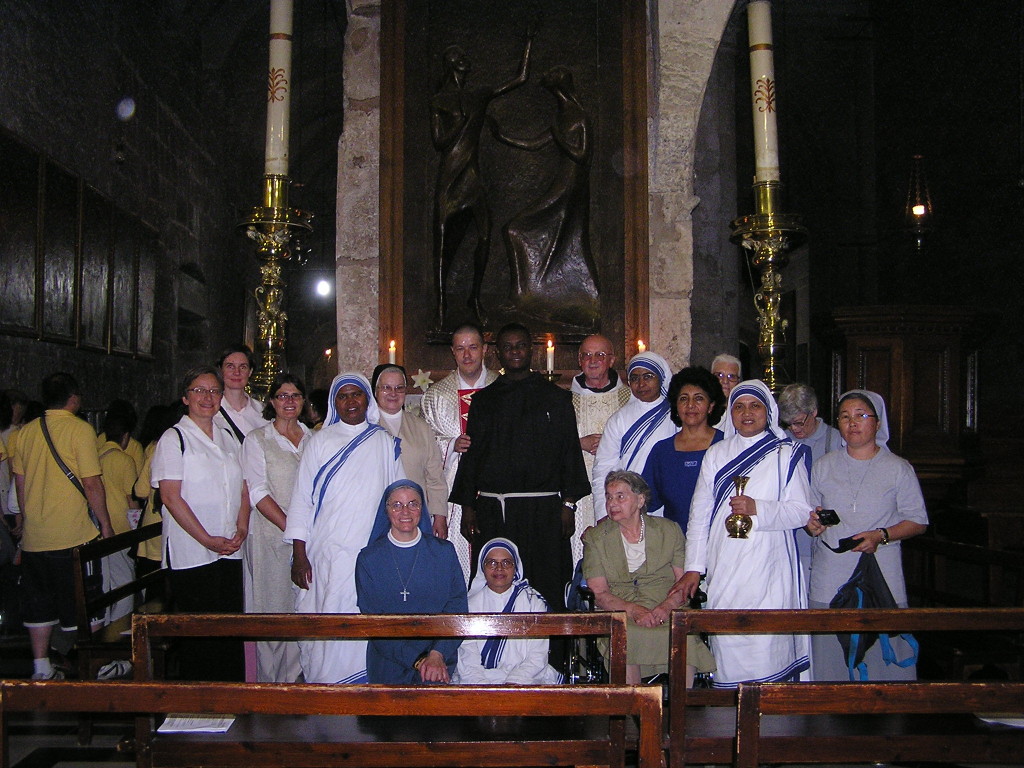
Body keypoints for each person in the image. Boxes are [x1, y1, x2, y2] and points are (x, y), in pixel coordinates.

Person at [674, 379, 812, 688]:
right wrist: (695, 566)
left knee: (767, 642)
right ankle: (728, 722)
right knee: (728, 637)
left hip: (770, 564)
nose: (746, 413)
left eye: (754, 406)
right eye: (738, 406)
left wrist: (757, 508)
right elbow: (699, 515)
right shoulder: (716, 454)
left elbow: (802, 511)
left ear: (768, 411)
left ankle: (774, 725)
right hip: (726, 563)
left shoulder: (786, 455)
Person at [450, 322, 590, 610]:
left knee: (546, 583)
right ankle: (495, 652)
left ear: (531, 351)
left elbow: (568, 452)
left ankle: (549, 653)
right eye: (508, 347)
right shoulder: (484, 401)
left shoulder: (556, 398)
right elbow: (473, 457)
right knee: (497, 585)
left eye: (521, 345)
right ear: (498, 354)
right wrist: (467, 508)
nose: (514, 351)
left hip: (545, 513)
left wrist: (569, 505)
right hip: (495, 512)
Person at [285, 372, 402, 684]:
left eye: (357, 394)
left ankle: (363, 686)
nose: (351, 401)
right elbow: (301, 500)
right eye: (343, 396)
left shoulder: (385, 443)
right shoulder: (319, 442)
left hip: (371, 553)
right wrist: (299, 554)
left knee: (364, 618)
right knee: (328, 616)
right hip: (328, 552)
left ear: (368, 399)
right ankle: (326, 686)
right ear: (334, 402)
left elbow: (400, 498)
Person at [805, 389, 928, 681]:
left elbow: (918, 521)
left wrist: (882, 535)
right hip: (831, 575)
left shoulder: (898, 468)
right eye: (845, 417)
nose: (852, 423)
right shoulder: (823, 465)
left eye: (861, 415)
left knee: (884, 664)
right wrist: (813, 524)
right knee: (830, 663)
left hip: (881, 576)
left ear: (876, 422)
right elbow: (810, 515)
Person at [10, 372, 114, 680]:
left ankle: (41, 667)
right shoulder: (80, 430)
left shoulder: (25, 432)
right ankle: (94, 665)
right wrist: (106, 525)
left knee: (39, 605)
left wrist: (30, 519)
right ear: (74, 399)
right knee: (86, 604)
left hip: (35, 538)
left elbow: (20, 482)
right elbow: (92, 483)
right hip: (73, 536)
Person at [151, 366, 250, 681]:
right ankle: (200, 703)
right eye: (199, 390)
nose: (208, 397)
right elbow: (170, 497)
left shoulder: (228, 437)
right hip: (193, 550)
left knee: (228, 625)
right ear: (185, 397)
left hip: (231, 546)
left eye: (214, 391)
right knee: (200, 630)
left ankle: (231, 698)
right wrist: (207, 539)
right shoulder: (174, 438)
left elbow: (244, 487)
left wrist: (242, 527)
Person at [430, 28, 533, 328]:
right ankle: (440, 307)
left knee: (486, 235)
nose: (463, 60)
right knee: (442, 241)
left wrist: (528, 40)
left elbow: (519, 79)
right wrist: (460, 123)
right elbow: (439, 141)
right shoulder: (440, 100)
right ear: (450, 65)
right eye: (457, 57)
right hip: (450, 175)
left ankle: (474, 298)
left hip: (472, 177)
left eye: (463, 56)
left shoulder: (478, 94)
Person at [583, 471, 715, 685]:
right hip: (622, 610)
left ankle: (682, 708)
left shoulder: (669, 530)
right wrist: (635, 611)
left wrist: (664, 609)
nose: (612, 503)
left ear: (640, 499)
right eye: (608, 497)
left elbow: (684, 583)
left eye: (620, 496)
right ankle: (633, 706)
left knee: (683, 635)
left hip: (666, 603)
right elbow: (599, 593)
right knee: (627, 635)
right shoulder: (596, 537)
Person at [492, 65, 599, 326]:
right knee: (518, 231)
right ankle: (527, 295)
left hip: (570, 185)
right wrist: (502, 136)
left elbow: (582, 154)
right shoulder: (562, 114)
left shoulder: (577, 115)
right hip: (563, 182)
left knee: (514, 230)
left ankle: (524, 296)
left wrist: (560, 137)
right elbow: (535, 143)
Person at [356, 480, 467, 683]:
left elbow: (458, 606)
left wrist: (437, 654)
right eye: (396, 505)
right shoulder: (369, 558)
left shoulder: (444, 552)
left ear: (421, 509)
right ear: (386, 510)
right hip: (388, 661)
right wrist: (417, 659)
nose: (405, 511)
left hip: (438, 662)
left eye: (413, 504)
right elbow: (373, 620)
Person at [240, 372, 311, 683]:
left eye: (295, 395)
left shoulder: (315, 438)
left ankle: (295, 681)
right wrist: (292, 529)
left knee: (302, 608)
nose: (289, 402)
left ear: (303, 401)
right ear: (271, 401)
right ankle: (269, 685)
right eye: (282, 396)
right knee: (272, 610)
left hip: (308, 540)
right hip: (270, 535)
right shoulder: (258, 440)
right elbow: (257, 492)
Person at [421, 323, 498, 582]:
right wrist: (451, 444)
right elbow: (425, 445)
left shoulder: (503, 388)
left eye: (473, 347)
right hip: (453, 490)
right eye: (461, 349)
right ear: (453, 353)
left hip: (496, 489)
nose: (467, 355)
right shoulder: (435, 396)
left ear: (485, 350)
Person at [454, 537, 562, 684]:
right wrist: (482, 688)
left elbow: (537, 656)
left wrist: (514, 684)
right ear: (482, 568)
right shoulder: (468, 605)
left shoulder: (533, 603)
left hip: (526, 680)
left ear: (515, 567)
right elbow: (468, 659)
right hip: (480, 680)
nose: (499, 568)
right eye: (492, 563)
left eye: (506, 562)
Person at [590, 351, 676, 522]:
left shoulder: (676, 416)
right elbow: (604, 467)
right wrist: (603, 512)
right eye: (635, 378)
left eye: (648, 376)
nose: (641, 383)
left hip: (666, 503)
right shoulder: (619, 419)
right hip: (626, 503)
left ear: (661, 378)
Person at [641, 367, 726, 530]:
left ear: (711, 406)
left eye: (699, 398)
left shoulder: (725, 445)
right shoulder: (662, 451)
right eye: (683, 399)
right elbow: (646, 501)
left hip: (718, 539)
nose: (690, 405)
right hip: (676, 543)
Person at [571, 334, 630, 565]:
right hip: (579, 489)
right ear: (579, 360)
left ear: (612, 360)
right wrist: (579, 444)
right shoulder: (564, 400)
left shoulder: (630, 398)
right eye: (586, 355)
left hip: (620, 488)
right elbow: (550, 444)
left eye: (600, 355)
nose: (592, 360)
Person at [372, 364, 449, 536]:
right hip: (372, 516)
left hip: (414, 517)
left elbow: (435, 476)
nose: (393, 393)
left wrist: (439, 515)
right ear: (376, 391)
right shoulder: (365, 426)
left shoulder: (421, 427)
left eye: (399, 388)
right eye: (386, 388)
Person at [97, 411, 141, 625]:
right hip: (120, 529)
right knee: (125, 584)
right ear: (125, 437)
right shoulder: (125, 460)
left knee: (105, 584)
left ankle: (104, 627)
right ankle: (117, 631)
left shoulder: (95, 457)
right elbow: (132, 500)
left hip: (98, 527)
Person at [214, 344, 269, 442]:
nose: (237, 372)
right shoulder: (212, 411)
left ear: (250, 372)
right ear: (220, 370)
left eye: (243, 367)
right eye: (230, 366)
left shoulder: (263, 412)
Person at [778, 382, 844, 462]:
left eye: (798, 423)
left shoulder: (836, 440)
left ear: (813, 412)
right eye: (788, 423)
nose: (793, 428)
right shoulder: (782, 439)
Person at [710, 354, 742, 431]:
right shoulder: (698, 410)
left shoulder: (742, 413)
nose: (725, 381)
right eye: (719, 375)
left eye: (731, 376)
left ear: (738, 382)